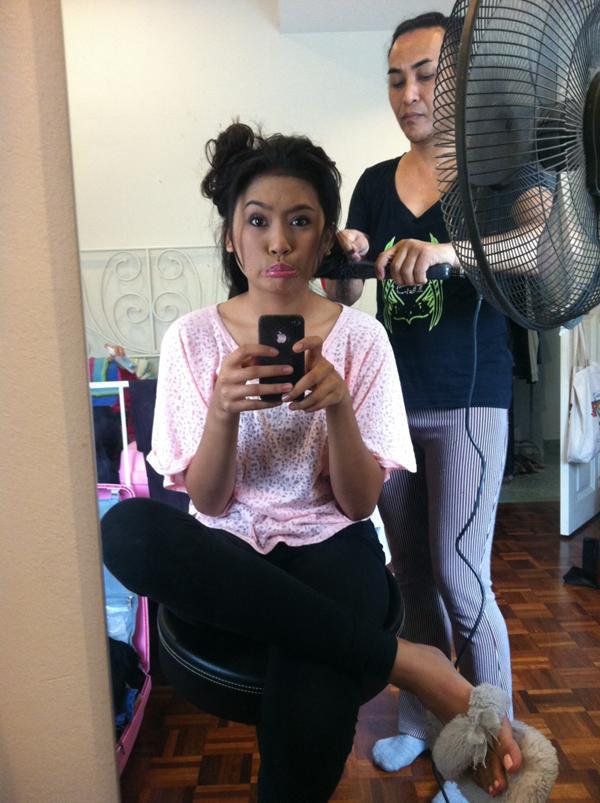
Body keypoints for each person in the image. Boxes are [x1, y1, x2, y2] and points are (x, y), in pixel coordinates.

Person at [101, 121, 521, 802]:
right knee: (126, 529)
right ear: (232, 236)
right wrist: (222, 413)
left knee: (313, 667)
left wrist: (339, 409)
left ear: (325, 237)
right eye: (258, 220)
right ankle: (406, 661)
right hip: (227, 550)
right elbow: (208, 502)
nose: (278, 241)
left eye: (300, 221)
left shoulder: (363, 338)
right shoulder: (191, 339)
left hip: (332, 545)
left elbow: (358, 504)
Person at [323, 12, 522, 783]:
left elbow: (546, 248)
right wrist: (344, 253)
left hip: (470, 400)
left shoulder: (495, 172)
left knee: (460, 575)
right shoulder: (375, 184)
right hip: (389, 408)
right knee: (408, 574)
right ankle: (423, 720)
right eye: (396, 78)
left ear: (459, 79)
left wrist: (446, 250)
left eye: (427, 75)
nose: (408, 93)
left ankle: (495, 746)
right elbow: (345, 297)